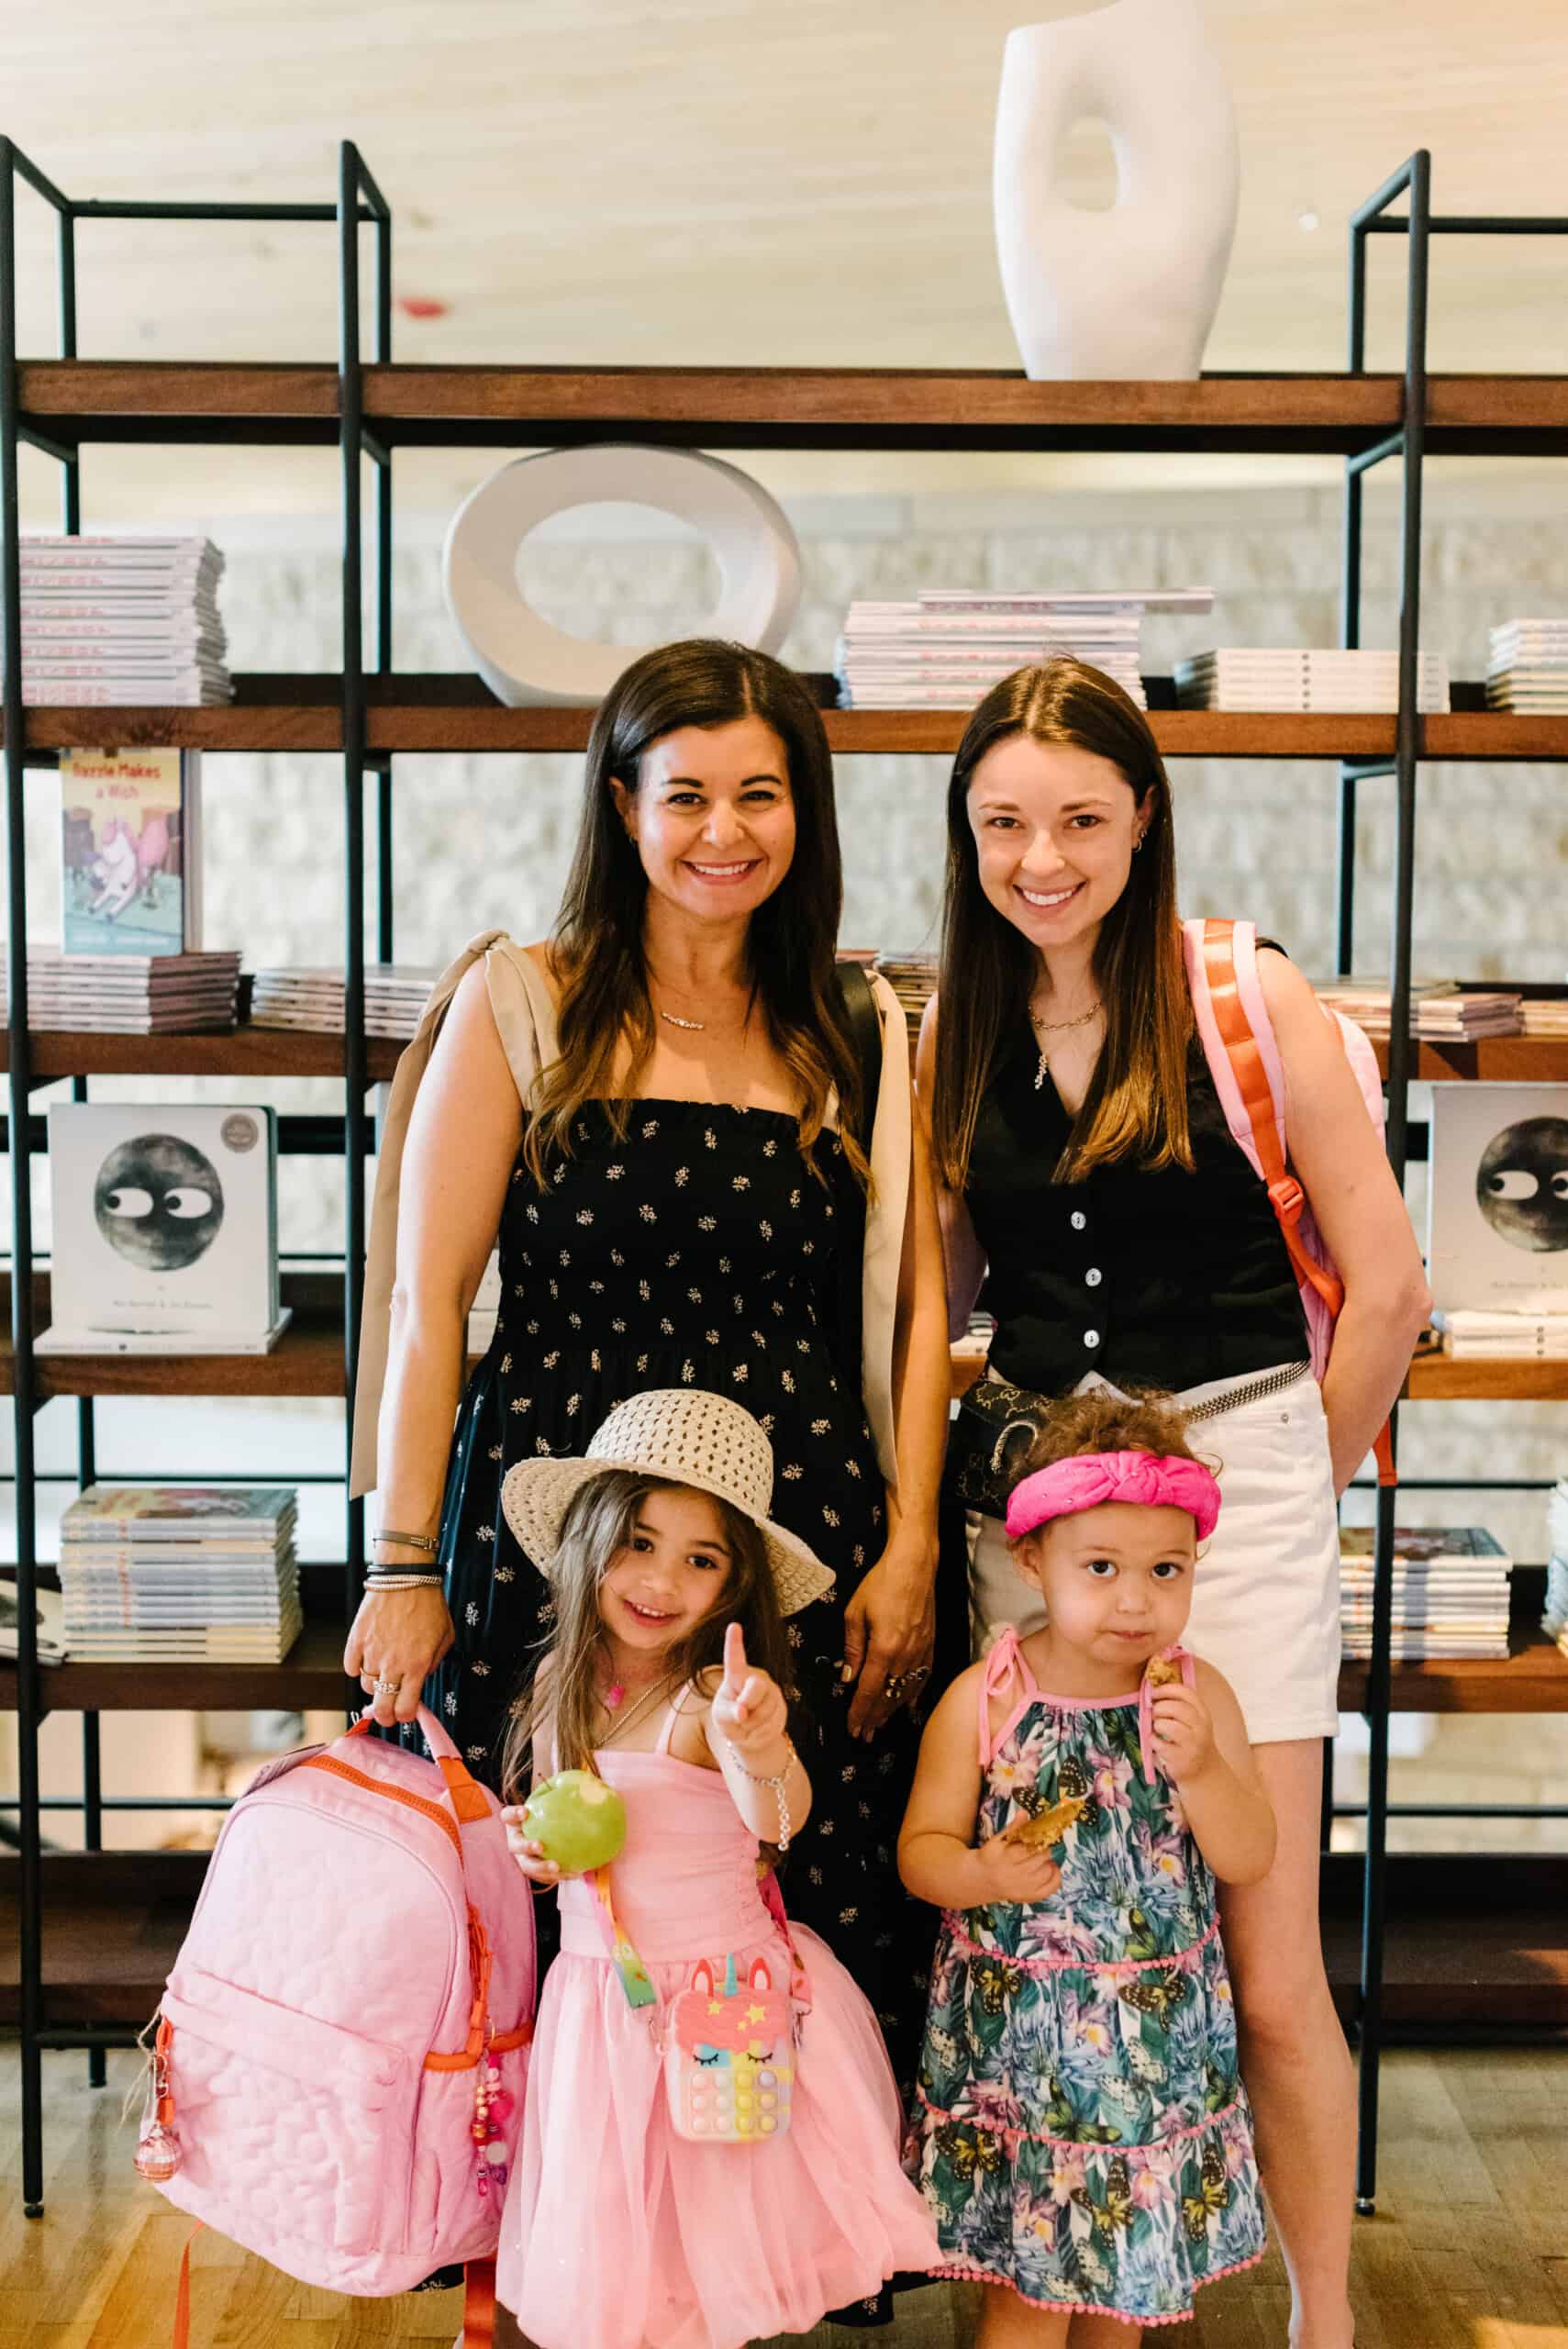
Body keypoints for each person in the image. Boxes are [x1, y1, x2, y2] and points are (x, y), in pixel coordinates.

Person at [343, 638, 954, 2104]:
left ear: (805, 813)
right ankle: (573, 2219)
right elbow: (427, 1305)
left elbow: (915, 1311)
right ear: (622, 805)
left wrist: (914, 1546)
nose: (723, 832)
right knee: (551, 1899)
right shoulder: (524, 1001)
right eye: (686, 795)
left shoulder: (854, 1023)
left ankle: (775, 2224)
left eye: (761, 795)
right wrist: (400, 1561)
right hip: (559, 1536)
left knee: (792, 1884)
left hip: (791, 1538)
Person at [920, 659, 1431, 2348]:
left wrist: (1276, 1488)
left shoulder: (1240, 994)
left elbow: (1387, 1291)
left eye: (1079, 819)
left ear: (1142, 817)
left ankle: (1319, 2314)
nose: (1040, 859)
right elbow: (938, 1297)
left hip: (1240, 1491)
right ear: (965, 833)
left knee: (1266, 1958)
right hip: (1030, 1516)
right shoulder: (954, 1024)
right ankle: (1082, 2282)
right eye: (1003, 823)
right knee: (1062, 1926)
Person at [494, 1387, 940, 2349]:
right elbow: (558, 1841)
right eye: (639, 1543)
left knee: (711, 2244)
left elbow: (778, 1817)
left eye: (701, 1560)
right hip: (602, 2013)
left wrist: (760, 1744)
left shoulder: (713, 1701)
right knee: (622, 2249)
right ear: (588, 1539)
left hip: (714, 2007)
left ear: (733, 1587)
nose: (662, 1580)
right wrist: (529, 1847)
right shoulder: (559, 1684)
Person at [899, 1387, 1274, 2343]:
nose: (1135, 1599)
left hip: (1151, 2056)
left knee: (1122, 2292)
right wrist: (980, 1875)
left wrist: (1201, 1770)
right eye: (1099, 1567)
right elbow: (920, 1854)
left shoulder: (1196, 1696)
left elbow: (1248, 1855)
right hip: (1022, 2057)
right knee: (1027, 2299)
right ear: (1030, 1559)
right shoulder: (986, 1697)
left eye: (1164, 1569)